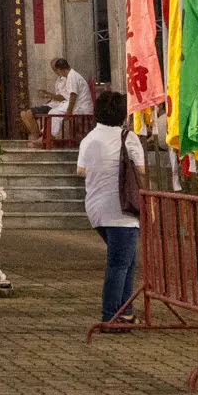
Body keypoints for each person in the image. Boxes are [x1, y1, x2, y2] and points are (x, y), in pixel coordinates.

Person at [73, 92, 142, 325]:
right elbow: (141, 171)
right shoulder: (128, 137)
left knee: (126, 260)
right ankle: (110, 314)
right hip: (122, 210)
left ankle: (126, 309)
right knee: (119, 263)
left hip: (96, 208)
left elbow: (80, 171)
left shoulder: (89, 139)